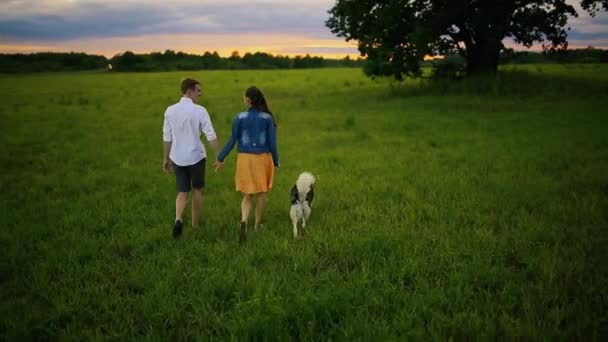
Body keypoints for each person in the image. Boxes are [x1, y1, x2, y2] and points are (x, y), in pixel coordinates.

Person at [214, 86, 279, 243]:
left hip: (244, 158)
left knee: (247, 194)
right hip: (262, 158)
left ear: (248, 100)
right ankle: (257, 225)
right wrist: (276, 160)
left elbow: (232, 140)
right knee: (261, 193)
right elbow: (272, 143)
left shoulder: (239, 117)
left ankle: (244, 220)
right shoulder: (267, 118)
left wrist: (220, 157)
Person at [163, 78, 220, 238]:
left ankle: (178, 219)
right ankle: (195, 225)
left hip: (177, 157)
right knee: (197, 190)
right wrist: (218, 156)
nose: (200, 94)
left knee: (182, 191)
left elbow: (167, 136)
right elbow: (210, 134)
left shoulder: (169, 110)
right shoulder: (200, 111)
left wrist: (166, 158)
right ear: (189, 91)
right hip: (196, 157)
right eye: (198, 90)